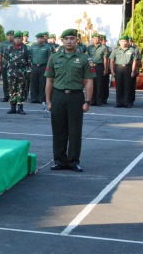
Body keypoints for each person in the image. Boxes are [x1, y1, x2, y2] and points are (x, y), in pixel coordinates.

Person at [45, 28, 94, 172]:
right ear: (62, 41)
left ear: (77, 41)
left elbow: (89, 82)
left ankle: (73, 161)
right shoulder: (54, 58)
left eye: (72, 39)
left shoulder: (85, 59)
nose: (69, 41)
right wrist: (48, 101)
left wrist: (88, 101)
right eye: (66, 39)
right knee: (58, 130)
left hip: (76, 97)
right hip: (58, 96)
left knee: (75, 131)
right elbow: (49, 81)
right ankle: (59, 160)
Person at [5, 32, 32, 114]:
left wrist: (28, 71)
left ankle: (20, 108)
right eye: (16, 38)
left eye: (19, 38)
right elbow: (5, 59)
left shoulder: (26, 48)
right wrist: (8, 69)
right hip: (12, 72)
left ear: (22, 39)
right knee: (12, 89)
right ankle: (13, 107)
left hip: (22, 72)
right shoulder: (9, 48)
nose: (17, 40)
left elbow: (29, 60)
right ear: (14, 39)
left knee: (21, 90)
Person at [111, 35, 138, 108]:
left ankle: (126, 102)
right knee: (119, 85)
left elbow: (134, 61)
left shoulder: (132, 50)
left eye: (125, 41)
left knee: (127, 86)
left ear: (127, 42)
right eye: (122, 41)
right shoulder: (116, 50)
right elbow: (112, 60)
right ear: (119, 42)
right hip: (118, 68)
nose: (123, 43)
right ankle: (118, 102)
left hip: (128, 68)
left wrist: (133, 71)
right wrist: (112, 71)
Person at [27, 32, 51, 103]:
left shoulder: (47, 47)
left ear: (44, 38)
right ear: (36, 39)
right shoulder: (33, 46)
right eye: (38, 38)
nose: (40, 40)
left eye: (41, 38)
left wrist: (48, 67)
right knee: (33, 82)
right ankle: (33, 98)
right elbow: (29, 56)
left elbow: (50, 58)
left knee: (42, 83)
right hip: (34, 66)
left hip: (43, 66)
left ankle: (41, 98)